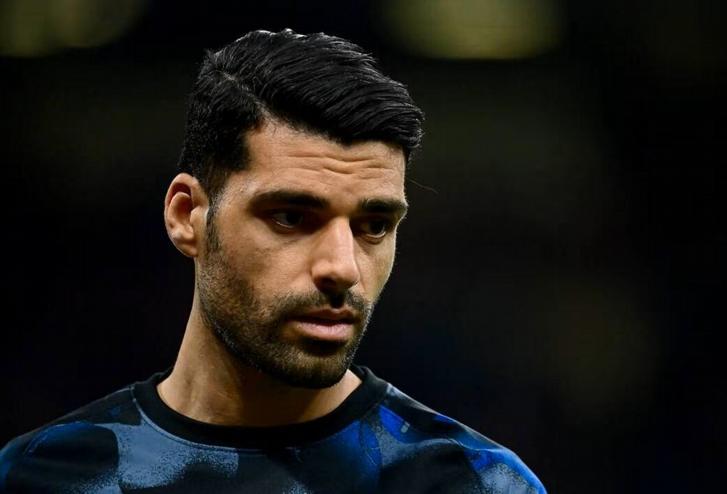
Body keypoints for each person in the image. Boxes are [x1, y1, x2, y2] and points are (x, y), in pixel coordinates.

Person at [0, 29, 545, 493]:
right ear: (187, 215)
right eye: (290, 216)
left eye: (374, 225)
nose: (343, 268)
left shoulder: (474, 484)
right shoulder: (39, 478)